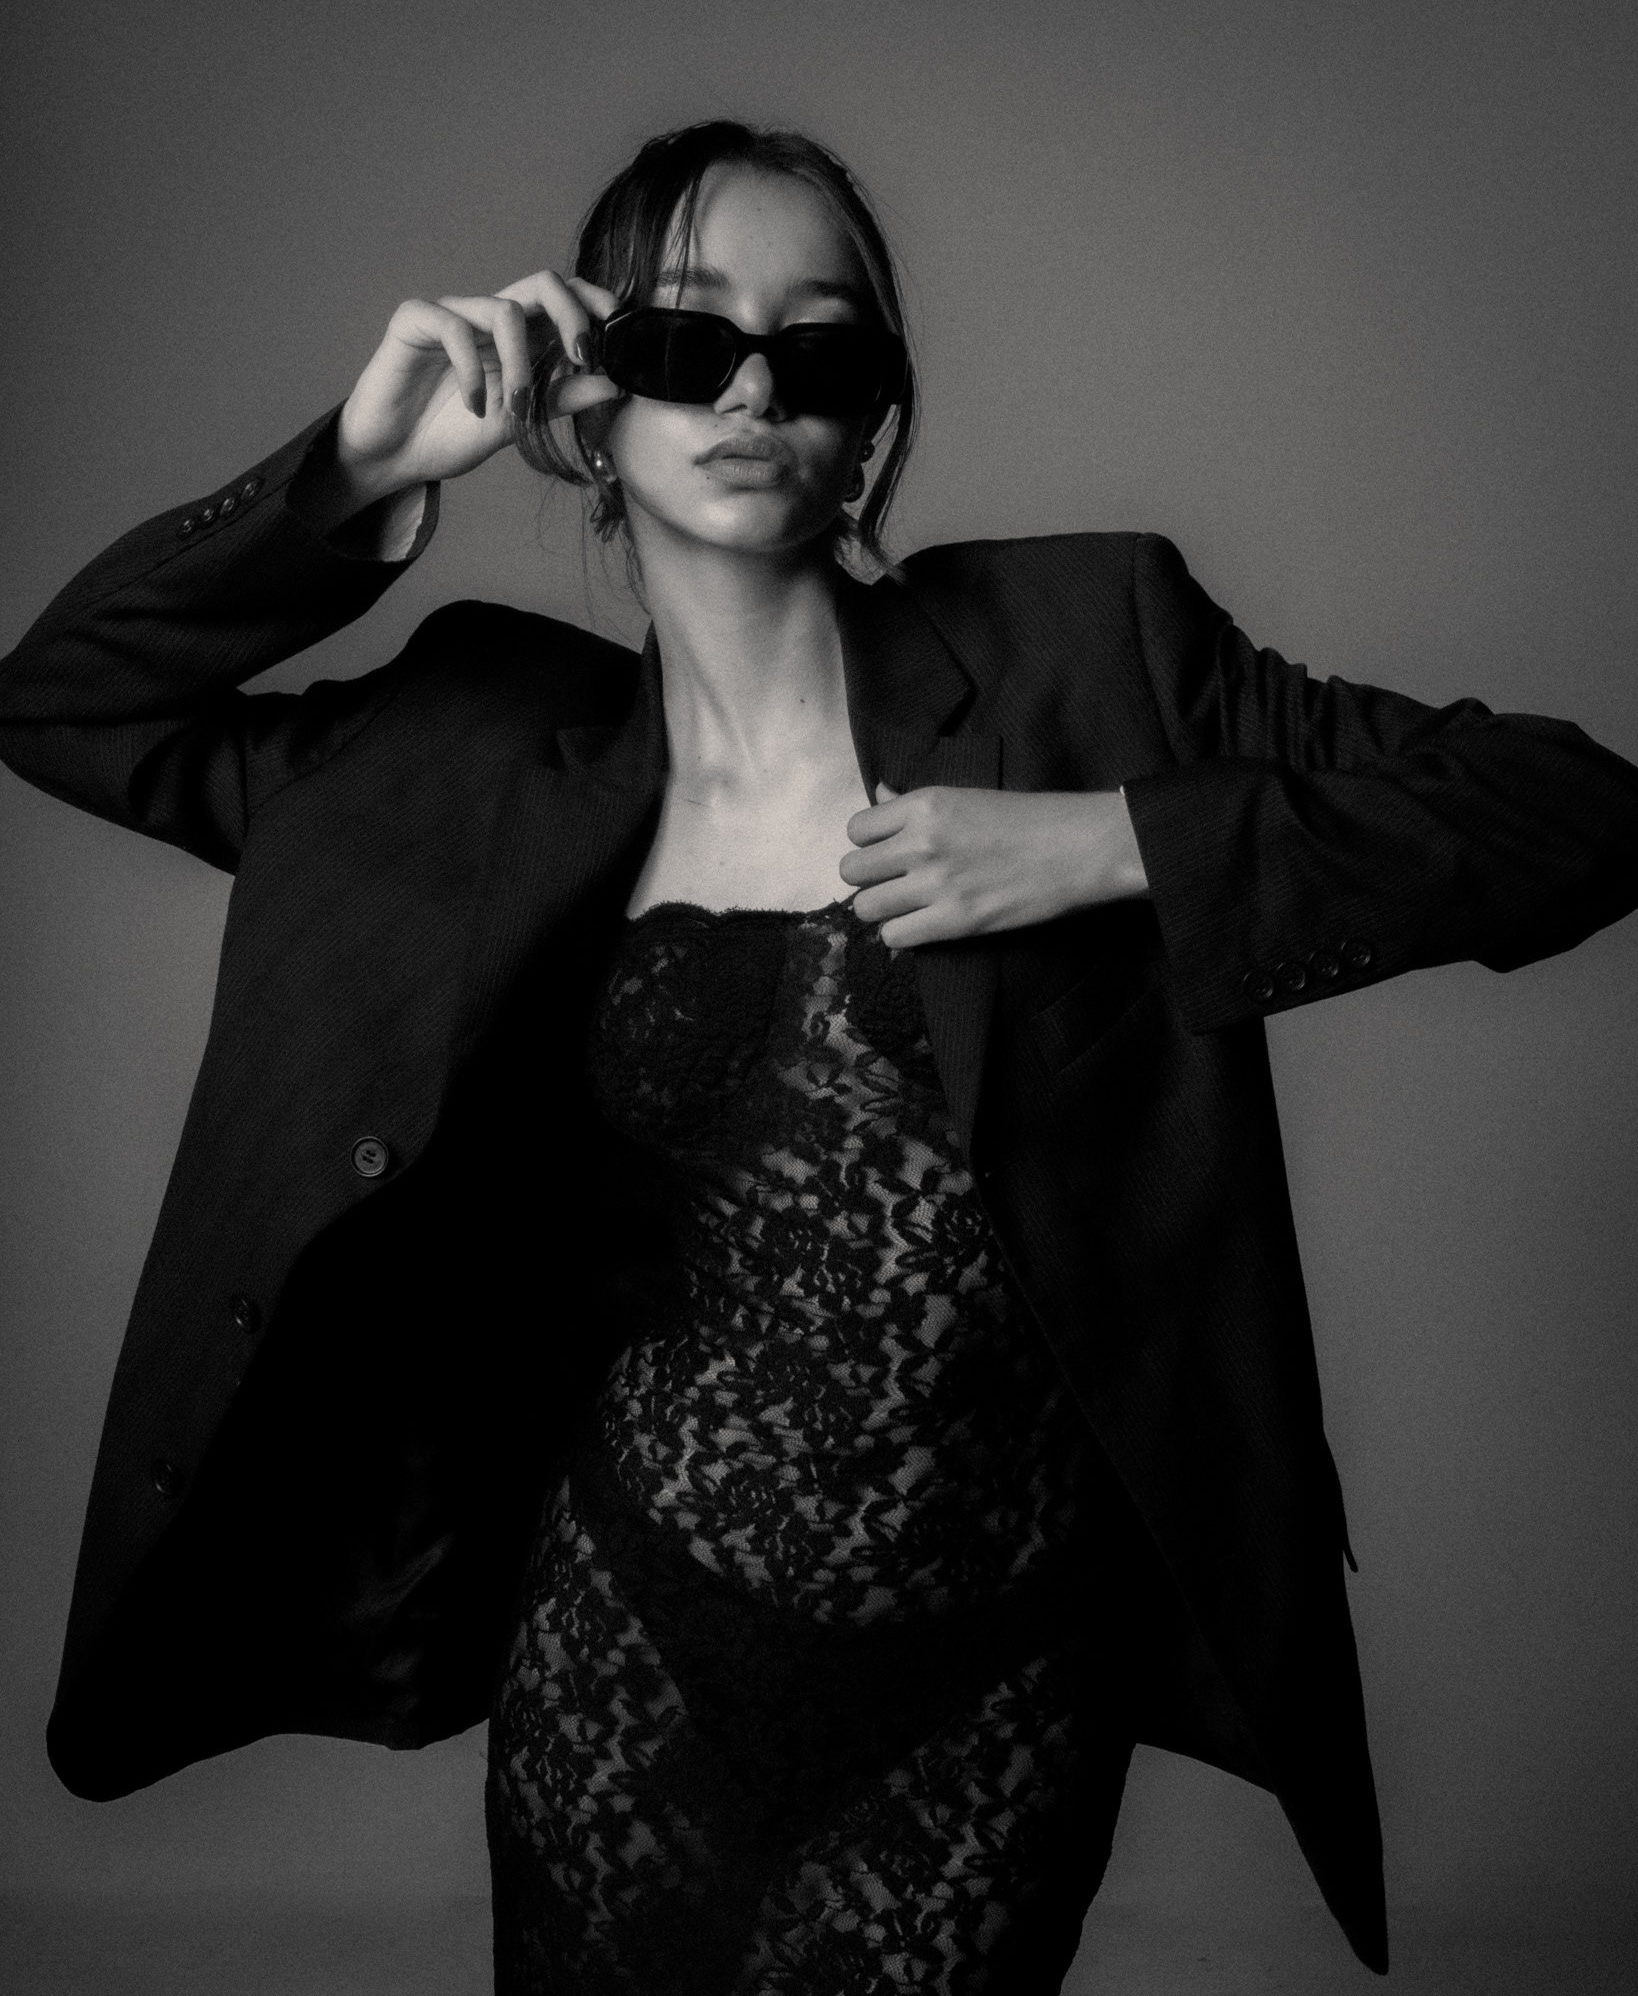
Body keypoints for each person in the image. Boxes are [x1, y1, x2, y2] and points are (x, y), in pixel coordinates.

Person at [2, 118, 1635, 1996]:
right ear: (583, 405)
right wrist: (355, 471)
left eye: (822, 348)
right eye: (685, 336)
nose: (754, 388)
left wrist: (1118, 841)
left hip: (995, 1687)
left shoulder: (1088, 649)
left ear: (872, 423)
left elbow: (1573, 813)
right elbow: (67, 708)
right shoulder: (469, 751)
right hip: (619, 1648)